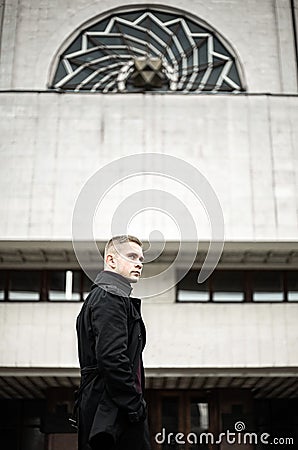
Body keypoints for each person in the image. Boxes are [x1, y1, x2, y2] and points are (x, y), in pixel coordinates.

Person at [75, 235, 151, 450]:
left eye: (141, 259)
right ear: (111, 260)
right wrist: (134, 404)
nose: (139, 263)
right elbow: (111, 357)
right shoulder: (110, 296)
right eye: (132, 256)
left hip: (109, 404)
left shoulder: (109, 295)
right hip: (111, 408)